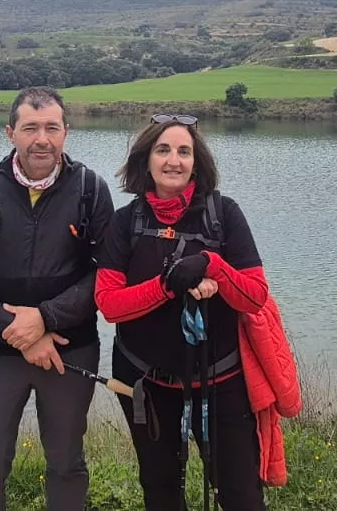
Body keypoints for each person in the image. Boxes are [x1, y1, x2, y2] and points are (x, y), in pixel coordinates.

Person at [94, 114, 277, 511]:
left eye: (184, 151)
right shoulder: (126, 221)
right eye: (163, 150)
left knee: (241, 494)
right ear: (146, 160)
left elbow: (255, 295)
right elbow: (108, 304)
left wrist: (213, 265)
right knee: (160, 490)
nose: (173, 160)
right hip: (146, 380)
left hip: (221, 381)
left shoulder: (224, 214)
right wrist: (167, 284)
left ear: (197, 162)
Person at [0, 87, 116, 511]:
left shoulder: (91, 190)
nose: (41, 139)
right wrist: (20, 333)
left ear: (66, 133)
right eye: (30, 128)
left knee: (65, 464)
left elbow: (107, 276)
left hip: (68, 350)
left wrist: (45, 318)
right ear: (10, 133)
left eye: (51, 128)